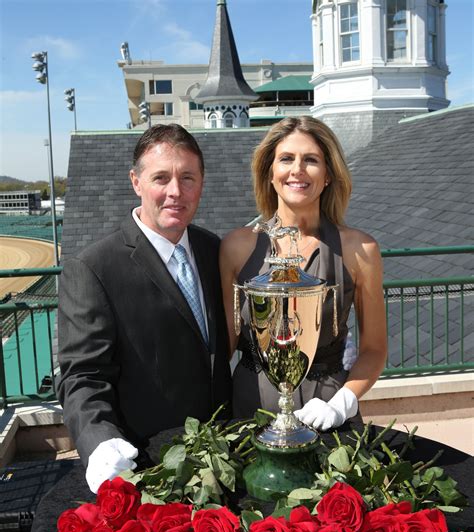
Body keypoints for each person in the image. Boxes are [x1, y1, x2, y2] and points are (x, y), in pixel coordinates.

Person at [58, 124, 232, 493]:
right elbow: (82, 376)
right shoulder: (94, 268)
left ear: (201, 182)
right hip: (150, 468)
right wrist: (100, 442)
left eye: (188, 177)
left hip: (223, 458)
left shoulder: (214, 250)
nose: (175, 191)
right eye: (161, 178)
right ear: (136, 182)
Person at [220, 116, 387, 430]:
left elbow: (375, 349)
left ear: (327, 175)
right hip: (249, 414)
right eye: (286, 159)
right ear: (270, 172)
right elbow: (222, 347)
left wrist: (343, 403)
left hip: (328, 414)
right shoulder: (236, 247)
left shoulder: (360, 250)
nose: (297, 169)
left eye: (311, 160)